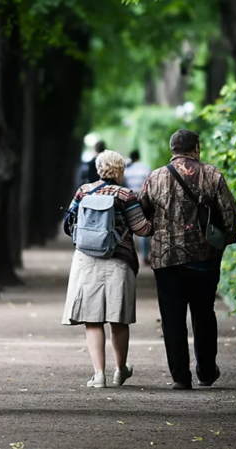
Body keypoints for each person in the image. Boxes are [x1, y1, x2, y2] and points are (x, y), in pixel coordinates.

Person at [139, 129, 236, 390]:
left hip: (166, 260)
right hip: (204, 259)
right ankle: (206, 372)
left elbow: (141, 213)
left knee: (172, 318)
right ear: (196, 148)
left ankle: (180, 377)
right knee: (204, 314)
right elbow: (230, 215)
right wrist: (221, 245)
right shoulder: (212, 174)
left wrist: (157, 234)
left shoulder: (155, 178)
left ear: (172, 149)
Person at [62, 150, 153, 388]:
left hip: (87, 260)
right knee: (118, 319)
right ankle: (120, 370)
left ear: (99, 168)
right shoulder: (126, 195)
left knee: (92, 320)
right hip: (118, 262)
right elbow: (142, 229)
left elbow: (69, 223)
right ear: (120, 170)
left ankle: (99, 374)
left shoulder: (83, 191)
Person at [124, 150, 152, 265]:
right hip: (142, 199)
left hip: (128, 199)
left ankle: (131, 255)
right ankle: (145, 255)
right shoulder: (145, 168)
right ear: (138, 157)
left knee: (129, 229)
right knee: (143, 226)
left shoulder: (126, 170)